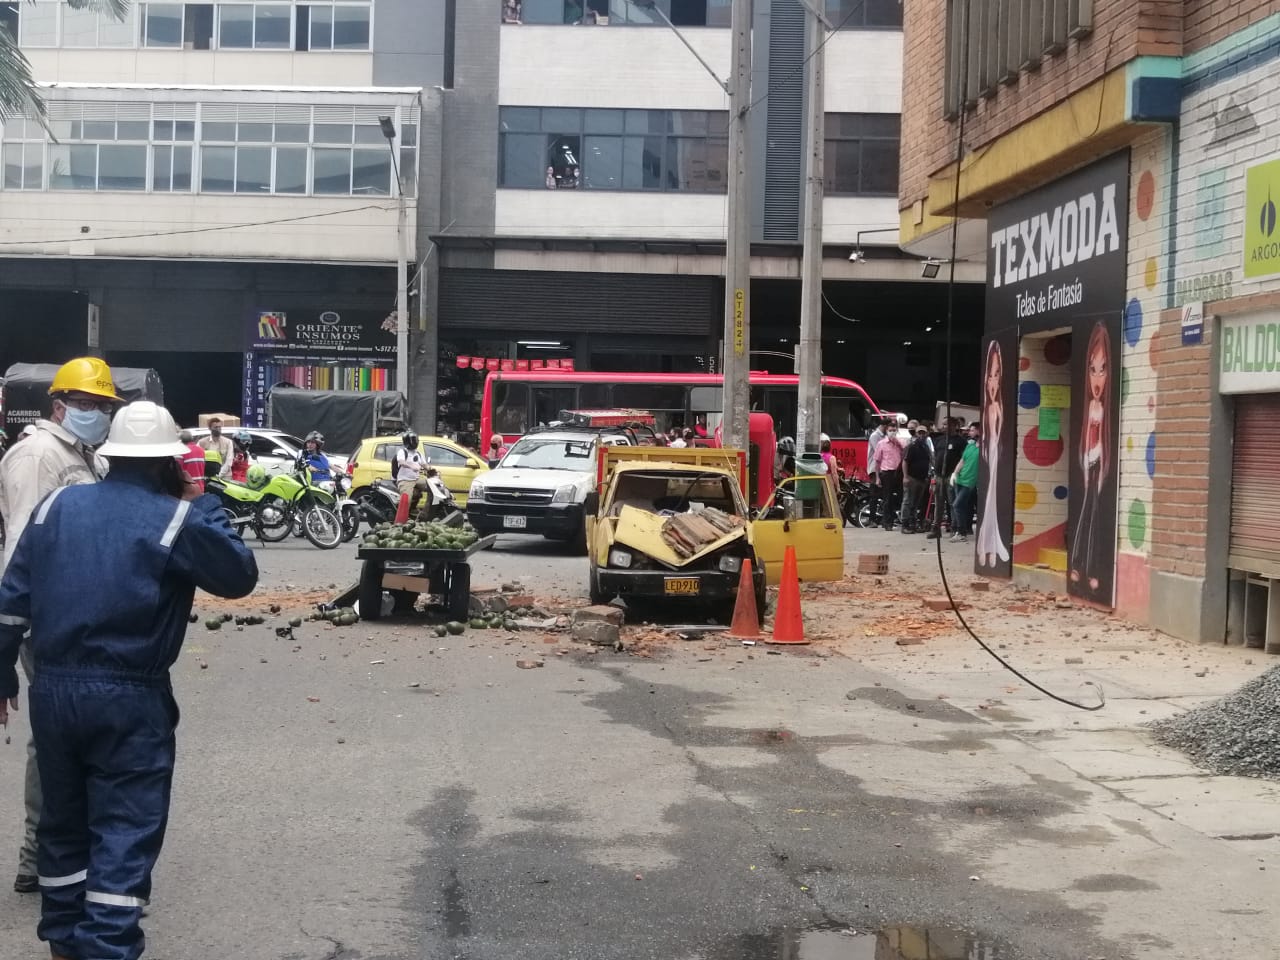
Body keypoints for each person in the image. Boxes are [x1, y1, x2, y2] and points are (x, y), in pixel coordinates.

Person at [0, 401, 258, 960]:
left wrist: (3, 676)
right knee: (123, 829)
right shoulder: (176, 519)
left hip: (53, 691)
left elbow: (11, 601)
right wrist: (205, 503)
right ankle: (107, 947)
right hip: (128, 697)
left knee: (63, 824)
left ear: (111, 456)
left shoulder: (56, 508)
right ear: (171, 462)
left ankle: (65, 941)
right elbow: (238, 577)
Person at [0, 357, 119, 896]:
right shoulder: (36, 455)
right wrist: (17, 625)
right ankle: (39, 857)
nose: (95, 413)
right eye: (86, 404)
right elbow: (24, 547)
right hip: (46, 617)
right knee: (56, 737)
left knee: (66, 733)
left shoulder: (81, 456)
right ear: (59, 405)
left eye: (103, 406)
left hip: (77, 613)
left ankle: (55, 851)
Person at [1070, 321, 1113, 592]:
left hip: (1099, 464)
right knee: (1085, 512)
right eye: (1093, 369)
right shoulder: (1090, 408)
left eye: (1103, 370)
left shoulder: (1104, 410)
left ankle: (1093, 567)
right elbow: (1087, 436)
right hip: (1089, 463)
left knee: (1097, 516)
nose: (1097, 378)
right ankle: (1077, 563)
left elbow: (1100, 437)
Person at [976, 341, 1011, 568]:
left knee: (992, 499)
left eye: (997, 375)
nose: (993, 381)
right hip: (989, 452)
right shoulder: (989, 408)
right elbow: (987, 435)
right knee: (988, 498)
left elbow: (997, 434)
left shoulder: (998, 407)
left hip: (995, 453)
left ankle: (989, 546)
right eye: (991, 375)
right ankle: (986, 546)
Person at [928, 418, 968, 540]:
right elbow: (934, 457)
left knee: (953, 503)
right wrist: (934, 476)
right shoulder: (939, 440)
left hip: (952, 476)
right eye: (944, 424)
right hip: (939, 475)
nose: (945, 426)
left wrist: (958, 474)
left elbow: (964, 459)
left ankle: (955, 528)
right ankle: (936, 528)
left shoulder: (961, 441)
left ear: (955, 426)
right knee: (939, 503)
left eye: (948, 424)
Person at [869, 421, 904, 531]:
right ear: (886, 431)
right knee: (887, 498)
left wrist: (897, 442)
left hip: (898, 472)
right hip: (886, 472)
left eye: (894, 430)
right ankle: (887, 522)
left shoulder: (900, 442)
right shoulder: (881, 443)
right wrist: (878, 477)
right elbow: (877, 461)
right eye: (890, 430)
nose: (892, 433)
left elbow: (905, 452)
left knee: (898, 497)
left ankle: (895, 519)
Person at [950, 421, 981, 543]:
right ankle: (962, 531)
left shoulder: (985, 448)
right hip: (960, 479)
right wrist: (955, 473)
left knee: (957, 505)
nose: (970, 432)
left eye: (973, 430)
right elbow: (962, 461)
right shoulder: (970, 445)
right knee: (961, 506)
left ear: (979, 431)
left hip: (970, 482)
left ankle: (961, 532)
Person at [900, 425, 933, 534]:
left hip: (922, 479)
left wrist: (930, 473)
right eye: (919, 433)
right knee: (908, 501)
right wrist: (905, 476)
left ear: (926, 433)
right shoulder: (912, 446)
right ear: (916, 433)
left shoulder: (926, 447)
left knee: (916, 503)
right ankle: (905, 525)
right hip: (912, 478)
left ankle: (913, 524)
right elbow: (905, 461)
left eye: (923, 433)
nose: (921, 435)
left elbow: (930, 460)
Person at [393, 430, 431, 516]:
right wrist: (412, 466)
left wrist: (430, 469)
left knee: (432, 486)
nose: (415, 442)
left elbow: (424, 464)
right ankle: (403, 518)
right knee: (407, 500)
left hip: (416, 479)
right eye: (413, 440)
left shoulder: (418, 453)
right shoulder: (402, 452)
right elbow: (401, 462)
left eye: (416, 440)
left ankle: (426, 510)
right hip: (405, 480)